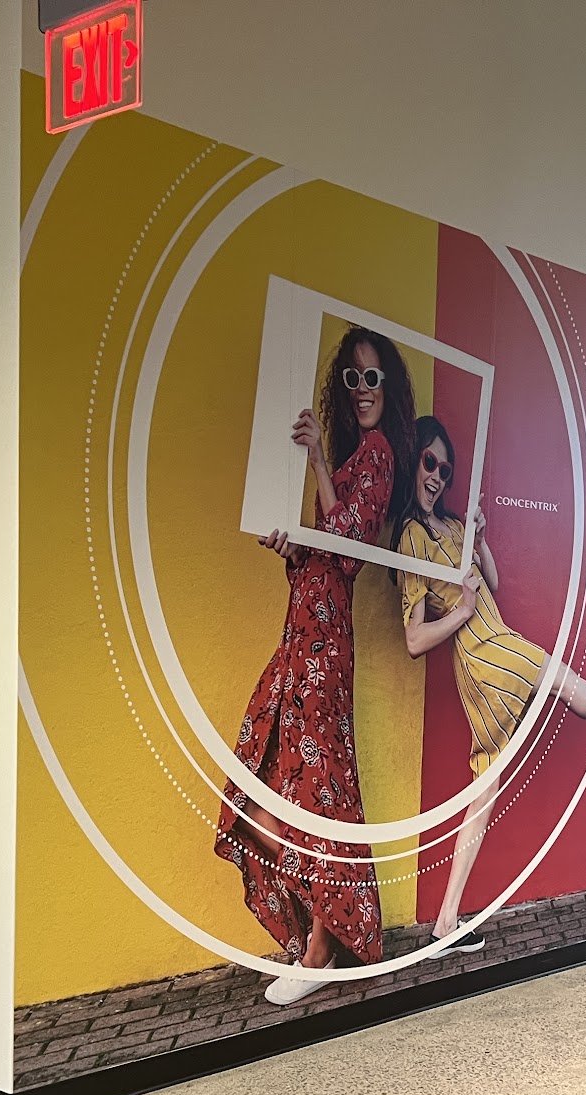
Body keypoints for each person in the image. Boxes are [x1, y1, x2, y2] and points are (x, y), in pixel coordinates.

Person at [215, 328, 417, 1005]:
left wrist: (318, 465)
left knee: (320, 792)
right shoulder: (354, 457)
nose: (362, 390)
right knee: (265, 791)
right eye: (352, 378)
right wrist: (290, 545)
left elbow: (350, 545)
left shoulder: (379, 454)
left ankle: (320, 950)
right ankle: (315, 938)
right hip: (300, 635)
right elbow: (321, 552)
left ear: (387, 388)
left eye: (373, 377)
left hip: (326, 649)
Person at [394, 415, 586, 951]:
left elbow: (492, 583)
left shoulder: (452, 528)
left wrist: (480, 541)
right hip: (481, 653)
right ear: (413, 462)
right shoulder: (410, 538)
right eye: (429, 463)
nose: (437, 477)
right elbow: (414, 639)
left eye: (445, 470)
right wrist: (462, 610)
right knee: (557, 676)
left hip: (495, 640)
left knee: (485, 789)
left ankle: (445, 921)